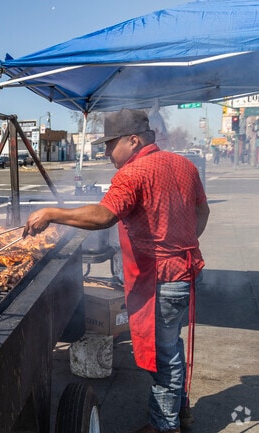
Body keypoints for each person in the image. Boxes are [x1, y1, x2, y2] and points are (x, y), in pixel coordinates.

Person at [23, 109, 210, 433]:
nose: (107, 152)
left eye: (110, 145)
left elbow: (104, 216)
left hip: (161, 280)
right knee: (172, 347)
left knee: (164, 356)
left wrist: (53, 213)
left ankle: (165, 427)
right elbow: (202, 211)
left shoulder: (134, 172)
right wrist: (183, 242)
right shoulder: (184, 165)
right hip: (186, 273)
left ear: (133, 140)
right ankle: (180, 411)